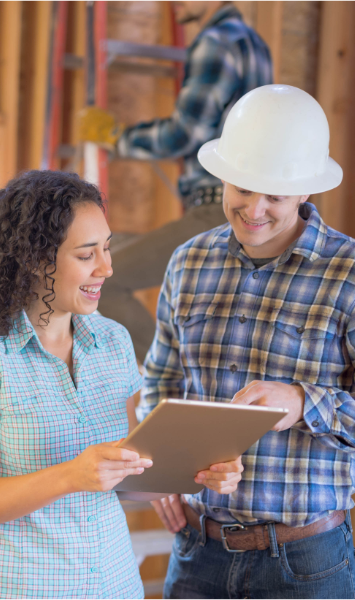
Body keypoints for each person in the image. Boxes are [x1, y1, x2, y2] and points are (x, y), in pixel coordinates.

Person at [140, 84, 355, 598]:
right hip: (196, 555)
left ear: (306, 191)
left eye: (275, 196)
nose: (254, 209)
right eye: (243, 188)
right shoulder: (188, 263)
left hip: (306, 565)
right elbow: (160, 381)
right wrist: (162, 470)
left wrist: (304, 402)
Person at [0, 170, 244, 599]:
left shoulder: (112, 340)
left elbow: (129, 475)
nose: (107, 267)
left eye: (108, 248)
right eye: (86, 255)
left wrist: (198, 472)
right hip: (21, 588)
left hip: (114, 584)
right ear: (36, 259)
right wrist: (69, 476)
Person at [79, 0, 272, 360]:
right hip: (234, 211)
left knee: (99, 278)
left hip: (219, 210)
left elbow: (186, 132)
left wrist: (117, 137)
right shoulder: (254, 44)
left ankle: (171, 372)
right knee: (111, 249)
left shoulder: (216, 41)